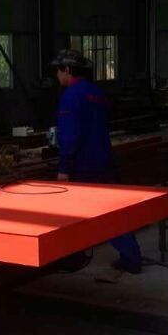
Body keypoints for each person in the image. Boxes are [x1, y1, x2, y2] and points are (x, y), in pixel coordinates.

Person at [52, 48, 143, 274]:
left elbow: (70, 136)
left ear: (67, 70)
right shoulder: (97, 93)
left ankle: (74, 257)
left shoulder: (71, 96)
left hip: (83, 167)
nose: (56, 75)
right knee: (114, 214)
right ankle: (132, 258)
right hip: (105, 161)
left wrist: (64, 168)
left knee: (72, 215)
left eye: (58, 71)